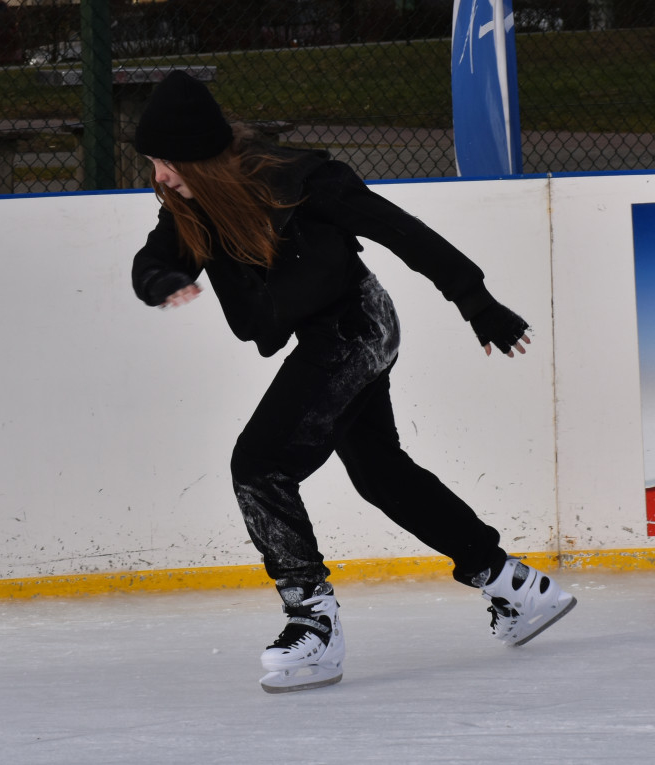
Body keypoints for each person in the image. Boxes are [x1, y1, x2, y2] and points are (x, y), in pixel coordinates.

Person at [130, 71, 576, 694]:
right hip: (334, 333)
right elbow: (156, 256)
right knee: (379, 473)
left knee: (259, 464)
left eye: (167, 162)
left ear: (201, 156)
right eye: (153, 163)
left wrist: (476, 301)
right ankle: (513, 585)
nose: (159, 176)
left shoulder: (297, 180)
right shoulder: (190, 204)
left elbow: (401, 231)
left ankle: (311, 620)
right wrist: (159, 282)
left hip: (355, 327)